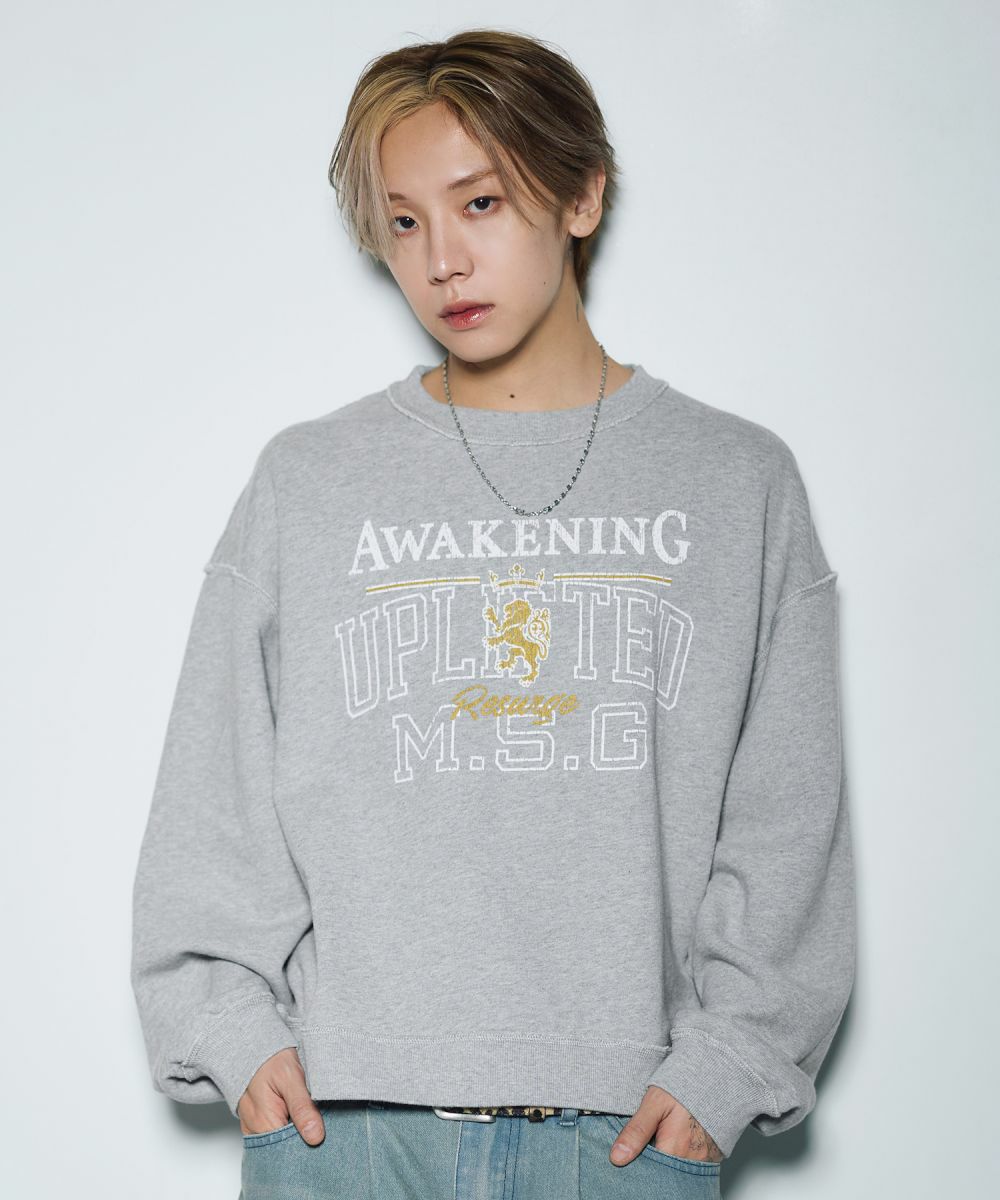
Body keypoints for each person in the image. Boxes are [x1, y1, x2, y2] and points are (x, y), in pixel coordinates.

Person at [130, 26, 856, 1199]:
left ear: (580, 194)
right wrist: (230, 1031)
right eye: (404, 221)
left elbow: (787, 817)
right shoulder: (309, 482)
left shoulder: (734, 482)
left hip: (622, 1139)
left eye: (480, 203)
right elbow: (215, 788)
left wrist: (729, 1066)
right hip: (344, 1135)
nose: (442, 261)